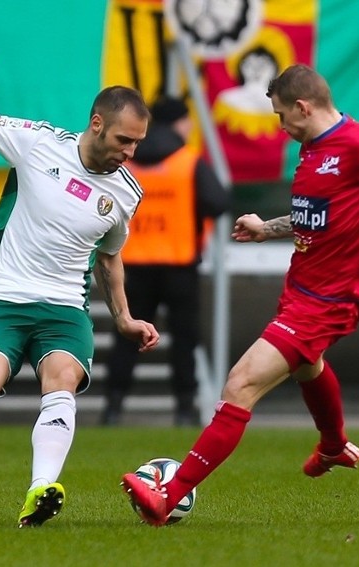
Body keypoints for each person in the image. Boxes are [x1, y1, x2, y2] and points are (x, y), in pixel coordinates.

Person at [121, 64, 359, 526]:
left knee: (239, 384)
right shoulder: (311, 150)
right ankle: (334, 445)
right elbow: (314, 216)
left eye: (282, 116)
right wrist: (267, 229)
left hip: (329, 300)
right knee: (308, 367)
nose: (280, 127)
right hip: (300, 291)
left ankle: (169, 495)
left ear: (304, 107)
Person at [0, 51, 160, 528]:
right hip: (5, 297)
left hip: (65, 309)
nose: (130, 152)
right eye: (123, 140)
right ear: (96, 124)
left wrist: (124, 319)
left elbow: (110, 259)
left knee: (62, 383)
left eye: (137, 143)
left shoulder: (127, 193)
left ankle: (40, 490)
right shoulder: (39, 143)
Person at [101, 95, 229, 427]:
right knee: (184, 341)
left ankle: (113, 407)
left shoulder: (126, 161)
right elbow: (218, 201)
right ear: (180, 122)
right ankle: (185, 409)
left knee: (126, 337)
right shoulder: (188, 161)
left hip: (133, 264)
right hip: (179, 263)